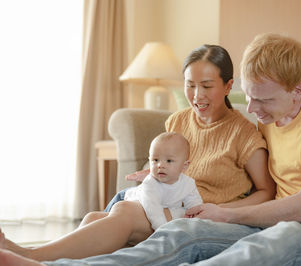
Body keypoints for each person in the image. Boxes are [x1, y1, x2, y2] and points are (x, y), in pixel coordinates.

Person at [0, 44, 276, 264]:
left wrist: (220, 211)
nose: (196, 95)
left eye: (206, 86)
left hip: (198, 215)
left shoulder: (244, 134)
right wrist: (155, 170)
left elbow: (266, 191)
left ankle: (31, 257)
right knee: (95, 219)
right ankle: (48, 258)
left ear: (228, 86)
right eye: (190, 85)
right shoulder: (178, 121)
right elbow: (172, 162)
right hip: (167, 202)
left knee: (123, 212)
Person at [123, 132, 203, 230]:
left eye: (169, 161)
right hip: (126, 199)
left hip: (157, 207)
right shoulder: (150, 184)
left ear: (184, 166)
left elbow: (195, 204)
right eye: (155, 160)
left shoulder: (188, 184)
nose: (160, 165)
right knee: (112, 218)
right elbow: (154, 212)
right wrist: (164, 230)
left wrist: (197, 220)